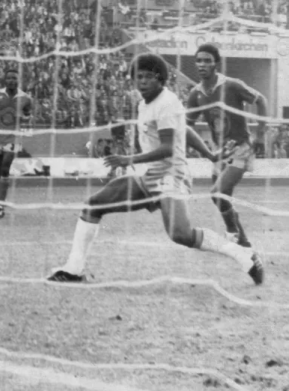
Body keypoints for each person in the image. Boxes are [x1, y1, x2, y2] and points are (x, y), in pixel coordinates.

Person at [47, 54, 263, 285]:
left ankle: (242, 254)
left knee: (181, 234)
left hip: (171, 175)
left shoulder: (166, 103)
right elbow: (184, 129)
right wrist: (209, 154)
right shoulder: (145, 103)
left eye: (148, 76)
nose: (142, 81)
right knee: (94, 205)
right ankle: (74, 269)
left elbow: (168, 148)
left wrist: (129, 159)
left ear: (160, 79)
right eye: (138, 77)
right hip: (149, 174)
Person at [186, 43, 268, 248]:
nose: (202, 64)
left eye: (207, 61)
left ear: (216, 63)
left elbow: (262, 101)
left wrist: (260, 136)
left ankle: (232, 234)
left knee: (217, 192)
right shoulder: (195, 94)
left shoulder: (232, 85)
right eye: (198, 61)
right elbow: (186, 126)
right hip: (220, 152)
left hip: (241, 149)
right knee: (223, 200)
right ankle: (243, 243)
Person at [0, 69, 33, 218]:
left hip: (13, 138)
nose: (12, 80)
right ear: (5, 80)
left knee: (5, 167)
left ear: (18, 80)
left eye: (14, 78)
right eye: (9, 78)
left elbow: (28, 115)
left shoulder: (25, 98)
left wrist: (24, 120)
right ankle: (0, 203)